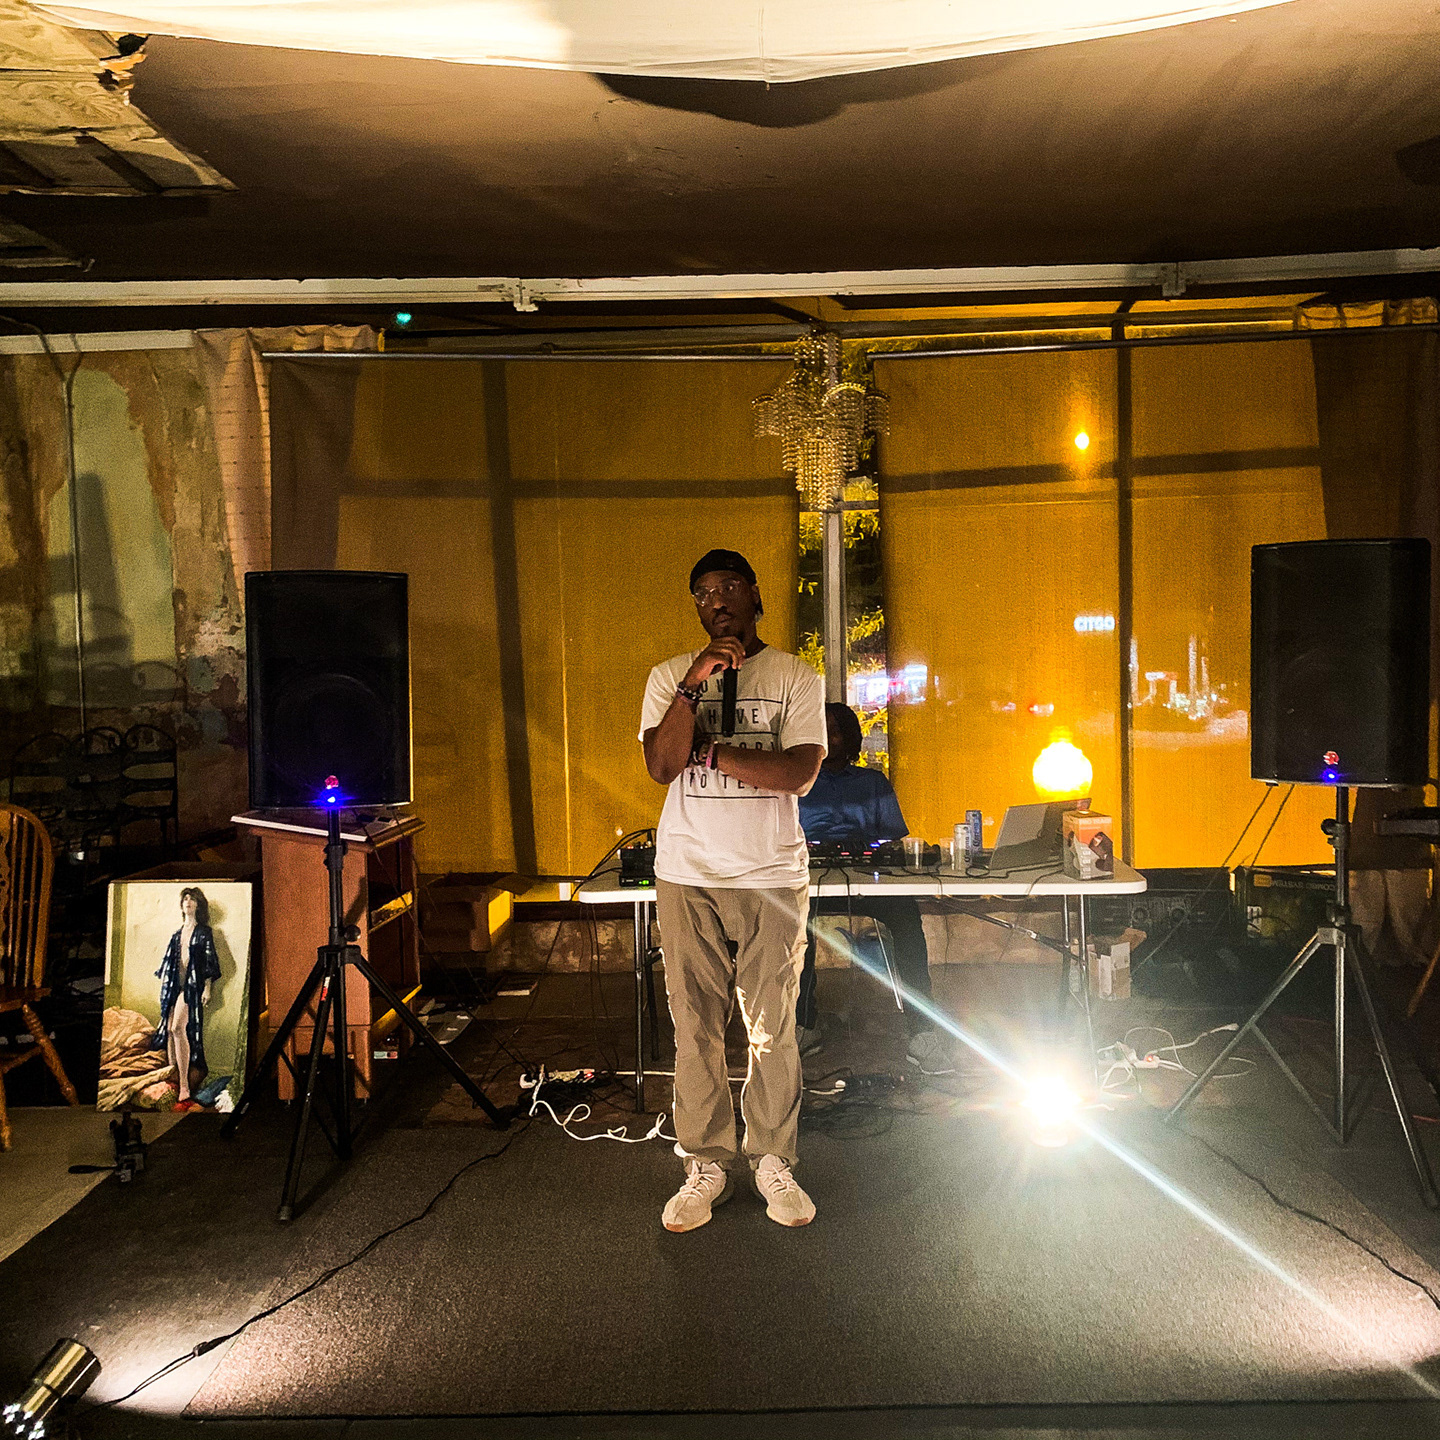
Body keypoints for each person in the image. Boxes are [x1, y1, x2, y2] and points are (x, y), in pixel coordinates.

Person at [641, 548, 826, 1233]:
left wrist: (714, 752)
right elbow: (663, 764)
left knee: (772, 1026)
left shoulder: (795, 677)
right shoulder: (669, 676)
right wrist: (692, 685)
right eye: (702, 592)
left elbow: (796, 773)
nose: (715, 600)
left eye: (727, 587)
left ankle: (773, 1158)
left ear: (754, 596)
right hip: (686, 871)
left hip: (771, 873)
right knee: (694, 1026)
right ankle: (706, 1163)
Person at [797, 703, 952, 1073]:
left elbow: (893, 839)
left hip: (870, 879)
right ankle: (803, 1025)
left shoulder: (873, 783)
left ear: (850, 737)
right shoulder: (796, 782)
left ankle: (922, 1031)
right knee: (794, 924)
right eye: (821, 729)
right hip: (809, 878)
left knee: (907, 918)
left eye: (835, 730)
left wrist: (870, 850)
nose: (827, 737)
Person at [153, 886, 222, 1108]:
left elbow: (210, 962)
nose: (188, 902)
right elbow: (168, 964)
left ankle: (184, 1085)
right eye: (185, 899)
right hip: (174, 987)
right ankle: (174, 1076)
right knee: (169, 1031)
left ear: (198, 905)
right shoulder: (176, 935)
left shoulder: (204, 932)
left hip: (191, 988)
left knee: (177, 1028)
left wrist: (207, 988)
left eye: (192, 899)